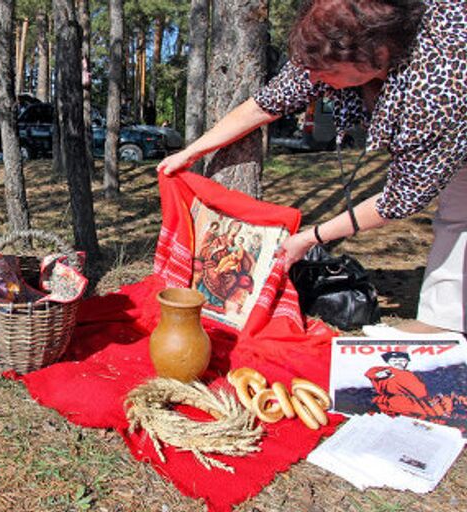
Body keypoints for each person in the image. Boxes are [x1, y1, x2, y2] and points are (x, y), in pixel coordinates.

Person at [158, 0, 467, 336]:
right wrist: (193, 151)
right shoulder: (328, 50)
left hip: (452, 124)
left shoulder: (437, 86)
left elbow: (398, 201)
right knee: (456, 216)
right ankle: (444, 323)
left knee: (459, 216)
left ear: (376, 56)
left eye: (325, 73)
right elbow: (265, 105)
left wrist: (310, 238)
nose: (315, 80)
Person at [364, 351, 446, 419]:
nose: (397, 362)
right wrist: (380, 374)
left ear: (407, 361)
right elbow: (371, 372)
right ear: (388, 362)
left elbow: (423, 391)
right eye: (393, 360)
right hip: (396, 403)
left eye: (401, 360)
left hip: (418, 404)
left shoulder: (413, 374)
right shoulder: (386, 370)